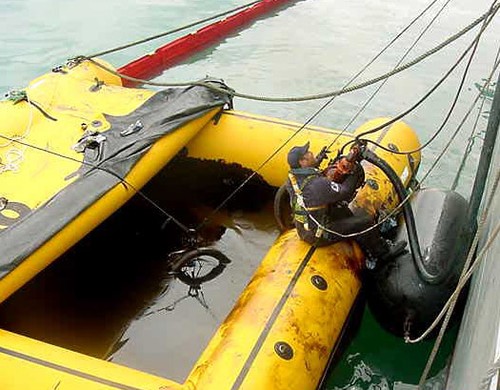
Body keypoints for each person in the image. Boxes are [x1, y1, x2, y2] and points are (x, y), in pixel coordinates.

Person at [286, 141, 405, 264]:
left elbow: (313, 185)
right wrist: (353, 171)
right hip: (319, 235)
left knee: (342, 210)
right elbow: (345, 192)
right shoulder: (316, 185)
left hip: (304, 230)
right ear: (302, 161)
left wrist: (319, 160)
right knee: (365, 221)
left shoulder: (292, 180)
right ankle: (383, 253)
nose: (311, 153)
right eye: (308, 153)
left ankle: (359, 237)